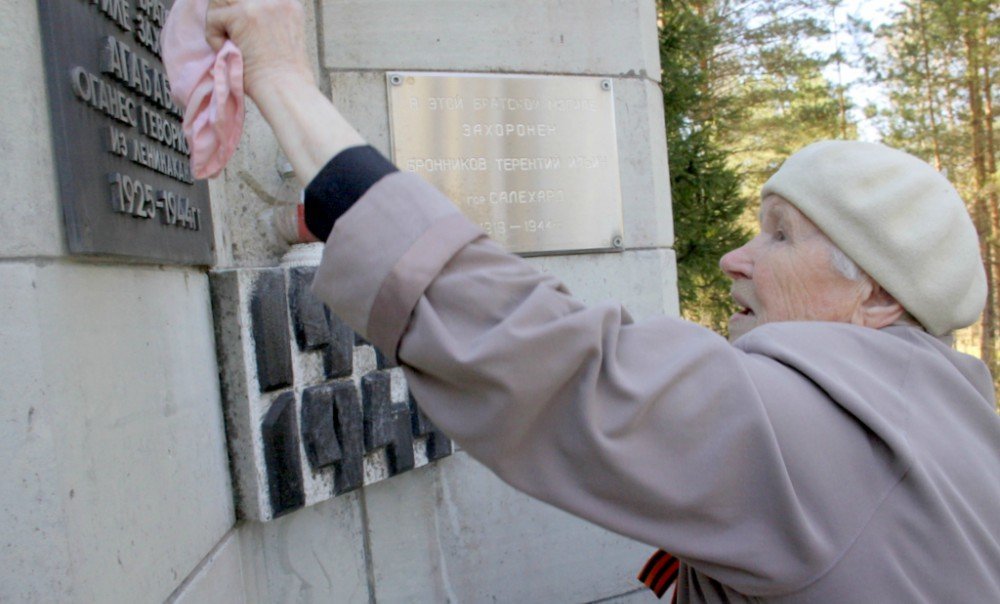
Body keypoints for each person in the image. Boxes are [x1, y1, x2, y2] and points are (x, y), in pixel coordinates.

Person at [203, 1, 1000, 601]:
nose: (734, 259)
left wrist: (280, 81)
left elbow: (553, 363)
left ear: (879, 299)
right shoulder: (947, 423)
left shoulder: (820, 435)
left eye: (780, 237)